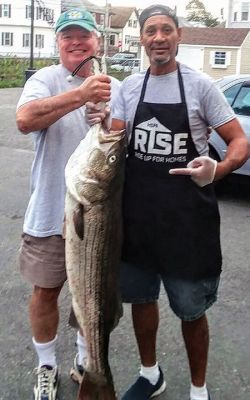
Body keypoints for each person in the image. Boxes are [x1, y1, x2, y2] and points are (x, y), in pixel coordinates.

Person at [87, 4, 250, 400]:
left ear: (178, 34)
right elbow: (117, 138)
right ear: (141, 38)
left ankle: (198, 388)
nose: (158, 38)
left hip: (187, 223)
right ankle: (150, 373)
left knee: (192, 311)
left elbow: (239, 141)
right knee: (142, 301)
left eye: (166, 30)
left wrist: (219, 169)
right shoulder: (130, 86)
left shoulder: (200, 86)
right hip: (137, 220)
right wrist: (101, 120)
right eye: (150, 31)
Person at [16, 8, 120, 400]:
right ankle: (46, 365)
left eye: (84, 36)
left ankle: (85, 361)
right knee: (45, 291)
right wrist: (80, 95)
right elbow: (24, 120)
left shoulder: (116, 85)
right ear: (57, 44)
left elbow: (122, 143)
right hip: (49, 209)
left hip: (99, 212)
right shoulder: (45, 79)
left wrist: (108, 116)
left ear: (98, 40)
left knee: (92, 292)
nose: (76, 43)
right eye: (67, 37)